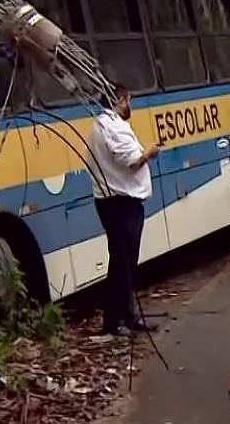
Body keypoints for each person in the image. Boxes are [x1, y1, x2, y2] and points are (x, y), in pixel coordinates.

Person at [88, 83, 159, 336]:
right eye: (129, 100)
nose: (131, 105)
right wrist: (148, 153)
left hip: (113, 201)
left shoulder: (101, 125)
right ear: (119, 100)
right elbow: (130, 161)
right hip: (121, 203)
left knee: (124, 261)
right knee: (122, 262)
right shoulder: (113, 127)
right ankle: (116, 320)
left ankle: (127, 316)